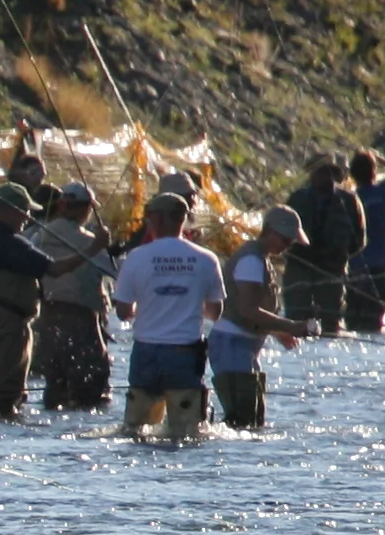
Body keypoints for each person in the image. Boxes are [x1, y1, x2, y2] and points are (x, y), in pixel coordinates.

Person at [112, 190, 224, 442]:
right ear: (183, 219)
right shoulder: (207, 259)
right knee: (187, 434)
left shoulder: (136, 257)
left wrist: (144, 307)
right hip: (185, 354)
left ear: (157, 219)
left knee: (135, 431)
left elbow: (122, 312)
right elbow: (215, 312)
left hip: (146, 353)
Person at [0, 182, 83, 417]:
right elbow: (55, 269)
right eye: (25, 211)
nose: (27, 217)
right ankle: (3, 424)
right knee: (6, 391)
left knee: (4, 385)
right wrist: (93, 250)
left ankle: (3, 416)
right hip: (8, 321)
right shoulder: (11, 243)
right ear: (10, 210)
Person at [209, 206, 317, 429]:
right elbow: (248, 310)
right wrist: (292, 325)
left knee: (252, 422)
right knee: (242, 422)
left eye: (291, 240)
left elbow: (251, 310)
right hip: (232, 345)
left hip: (244, 346)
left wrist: (279, 331)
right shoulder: (251, 261)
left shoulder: (260, 259)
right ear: (269, 230)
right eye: (285, 238)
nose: (288, 245)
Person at [33, 183, 115, 410]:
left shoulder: (39, 235)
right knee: (92, 384)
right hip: (82, 318)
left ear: (61, 205)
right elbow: (114, 272)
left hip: (47, 316)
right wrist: (103, 246)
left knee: (55, 381)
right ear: (87, 208)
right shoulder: (89, 241)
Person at [282, 156, 363, 333]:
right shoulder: (297, 199)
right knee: (295, 321)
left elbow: (359, 240)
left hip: (331, 270)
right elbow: (283, 231)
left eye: (327, 172)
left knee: (330, 324)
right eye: (319, 171)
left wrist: (337, 258)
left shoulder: (349, 201)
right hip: (299, 268)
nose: (322, 176)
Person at [346, 145, 385, 333]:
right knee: (375, 319)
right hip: (380, 263)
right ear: (374, 172)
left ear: (353, 174)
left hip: (355, 265)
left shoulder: (349, 199)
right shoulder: (384, 193)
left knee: (353, 317)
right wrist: (381, 158)